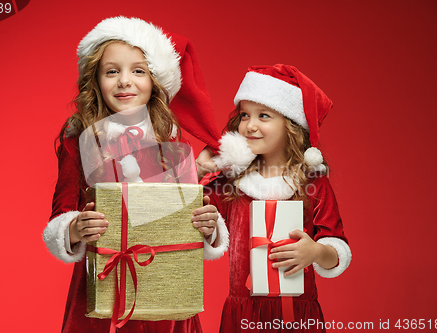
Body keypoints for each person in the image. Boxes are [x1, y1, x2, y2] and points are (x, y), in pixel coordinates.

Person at [42, 17, 229, 333]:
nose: (124, 81)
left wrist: (209, 228)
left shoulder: (172, 143)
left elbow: (184, 218)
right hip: (101, 285)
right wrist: (74, 228)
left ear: (156, 81)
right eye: (112, 71)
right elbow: (60, 216)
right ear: (96, 80)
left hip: (164, 287)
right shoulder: (80, 141)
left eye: (138, 70)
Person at [204, 64, 352, 332]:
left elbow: (336, 253)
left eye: (263, 115)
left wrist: (316, 252)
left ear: (291, 124)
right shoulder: (231, 181)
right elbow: (198, 219)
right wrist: (205, 167)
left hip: (296, 313)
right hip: (243, 314)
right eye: (245, 115)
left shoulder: (313, 182)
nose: (250, 125)